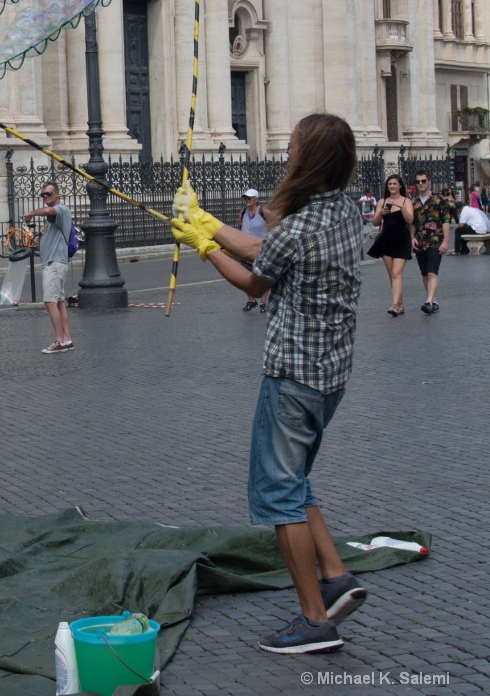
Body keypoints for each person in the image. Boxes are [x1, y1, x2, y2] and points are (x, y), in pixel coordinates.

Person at [172, 113, 366, 655]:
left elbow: (254, 279)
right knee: (297, 477)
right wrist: (208, 221)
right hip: (331, 377)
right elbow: (264, 250)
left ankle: (313, 622)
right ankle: (336, 575)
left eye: (293, 146)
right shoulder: (347, 212)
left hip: (292, 379)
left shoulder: (299, 228)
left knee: (278, 493)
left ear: (310, 159)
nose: (286, 152)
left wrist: (201, 244)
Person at [23, 181, 74, 354]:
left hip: (55, 263)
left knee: (50, 301)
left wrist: (30, 213)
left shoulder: (61, 210)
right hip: (54, 262)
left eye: (49, 194)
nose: (45, 197)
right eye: (43, 194)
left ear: (57, 195)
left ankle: (59, 341)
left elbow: (47, 210)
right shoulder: (53, 217)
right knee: (59, 302)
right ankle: (67, 339)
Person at [366, 174, 413, 316]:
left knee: (396, 272)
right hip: (386, 239)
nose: (392, 186)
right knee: (392, 275)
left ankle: (394, 305)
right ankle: (400, 304)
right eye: (390, 184)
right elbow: (375, 223)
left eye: (394, 184)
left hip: (401, 239)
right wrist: (381, 212)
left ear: (400, 186)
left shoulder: (406, 201)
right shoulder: (382, 201)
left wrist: (401, 207)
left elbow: (410, 220)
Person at [409, 171, 452, 315]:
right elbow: (412, 223)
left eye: (423, 181)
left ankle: (428, 301)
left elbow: (446, 221)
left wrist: (446, 241)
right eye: (418, 181)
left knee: (432, 272)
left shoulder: (439, 200)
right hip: (420, 242)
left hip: (435, 240)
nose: (420, 184)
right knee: (425, 274)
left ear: (429, 181)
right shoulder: (413, 202)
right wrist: (412, 237)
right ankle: (434, 301)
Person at [238, 189, 269, 313]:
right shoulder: (242, 212)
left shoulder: (263, 212)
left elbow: (274, 223)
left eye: (249, 198)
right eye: (245, 198)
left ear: (256, 200)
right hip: (246, 249)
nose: (247, 200)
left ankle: (263, 303)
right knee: (246, 276)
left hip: (261, 249)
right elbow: (241, 227)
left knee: (262, 276)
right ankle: (251, 301)